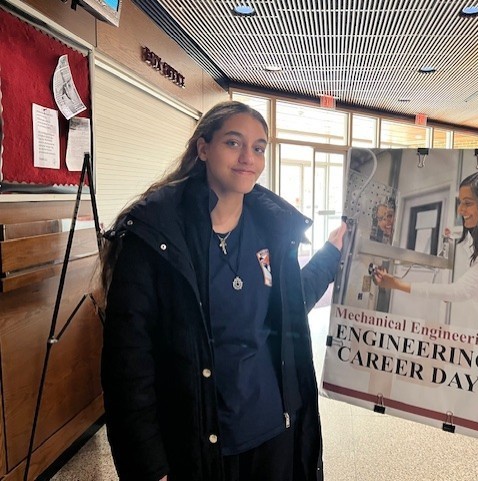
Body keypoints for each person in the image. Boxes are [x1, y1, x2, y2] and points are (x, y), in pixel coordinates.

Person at [99, 100, 346, 481]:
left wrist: (331, 253)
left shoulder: (271, 230)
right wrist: (148, 466)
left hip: (273, 433)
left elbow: (290, 307)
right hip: (200, 444)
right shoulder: (156, 237)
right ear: (203, 148)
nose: (249, 157)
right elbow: (128, 364)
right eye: (234, 143)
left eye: (259, 147)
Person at [372, 170, 478, 335]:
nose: (460, 210)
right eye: (460, 202)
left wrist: (395, 284)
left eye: (468, 203)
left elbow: (459, 291)